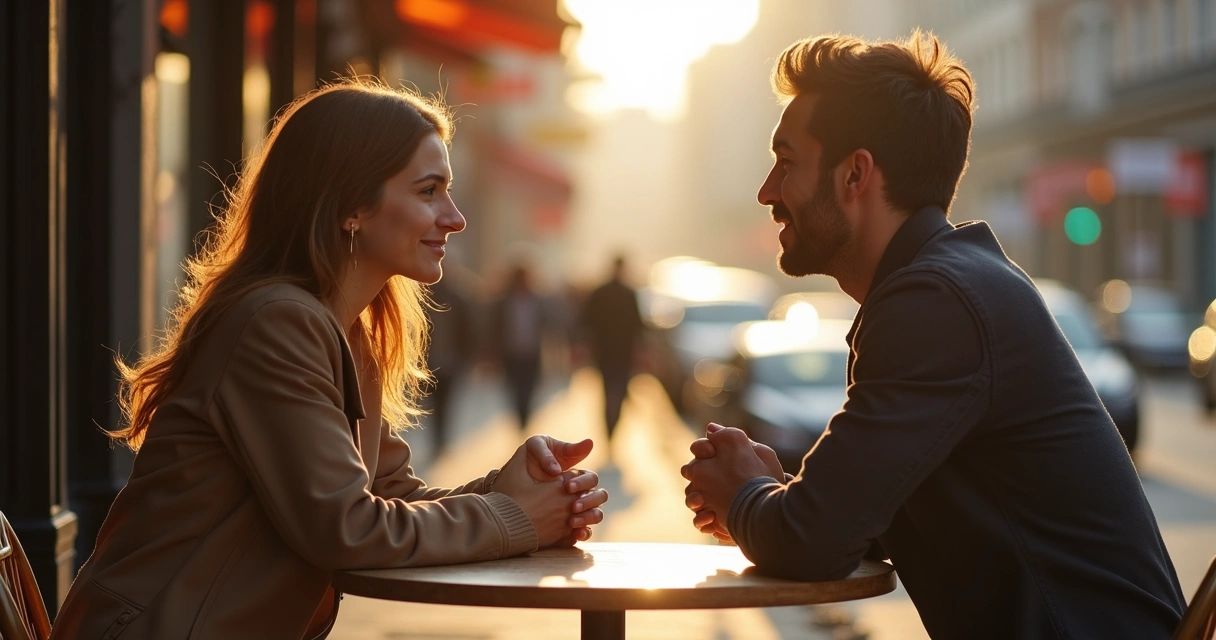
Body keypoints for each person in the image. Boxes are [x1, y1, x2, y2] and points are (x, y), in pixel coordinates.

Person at [50, 80, 608, 640]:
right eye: (428, 191)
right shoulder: (277, 323)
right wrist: (515, 518)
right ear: (352, 207)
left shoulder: (343, 329)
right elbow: (345, 527)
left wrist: (508, 494)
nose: (455, 218)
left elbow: (388, 499)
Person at [680, 32, 1185, 639]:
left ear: (855, 174)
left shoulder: (936, 302)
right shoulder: (949, 283)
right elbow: (855, 519)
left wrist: (745, 498)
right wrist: (770, 494)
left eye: (786, 163)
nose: (767, 191)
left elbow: (812, 541)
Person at [580, 255, 644, 441]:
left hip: (607, 352)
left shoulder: (602, 292)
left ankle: (610, 429)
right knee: (617, 391)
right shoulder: (627, 293)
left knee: (609, 392)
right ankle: (611, 429)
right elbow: (638, 325)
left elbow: (586, 321)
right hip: (620, 353)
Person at [490, 262, 549, 432]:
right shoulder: (503, 302)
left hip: (532, 353)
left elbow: (547, 325)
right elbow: (494, 329)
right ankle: (519, 418)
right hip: (510, 353)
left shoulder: (538, 301)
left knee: (529, 388)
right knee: (514, 389)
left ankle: (525, 417)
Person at [423, 275, 475, 453]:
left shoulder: (457, 299)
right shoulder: (423, 298)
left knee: (445, 401)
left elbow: (466, 330)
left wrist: (466, 357)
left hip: (451, 361)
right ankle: (438, 436)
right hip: (429, 363)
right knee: (435, 401)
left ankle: (441, 437)